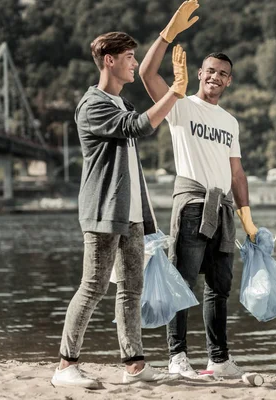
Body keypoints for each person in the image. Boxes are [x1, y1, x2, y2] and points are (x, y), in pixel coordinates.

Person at [51, 31, 189, 388]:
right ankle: (66, 365)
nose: (134, 63)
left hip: (130, 215)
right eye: (129, 56)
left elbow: (133, 145)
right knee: (94, 286)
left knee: (131, 289)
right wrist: (175, 90)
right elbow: (139, 127)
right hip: (102, 212)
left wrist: (146, 218)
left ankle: (134, 365)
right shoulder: (92, 104)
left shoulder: (121, 103)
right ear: (109, 60)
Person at [139, 0, 257, 379]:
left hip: (222, 211)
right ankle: (177, 357)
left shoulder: (231, 121)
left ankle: (218, 360)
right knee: (182, 283)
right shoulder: (180, 105)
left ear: (229, 80)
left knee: (219, 289)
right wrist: (166, 35)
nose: (215, 77)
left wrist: (248, 220)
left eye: (222, 74)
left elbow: (237, 173)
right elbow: (145, 72)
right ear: (200, 73)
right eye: (210, 71)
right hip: (191, 204)